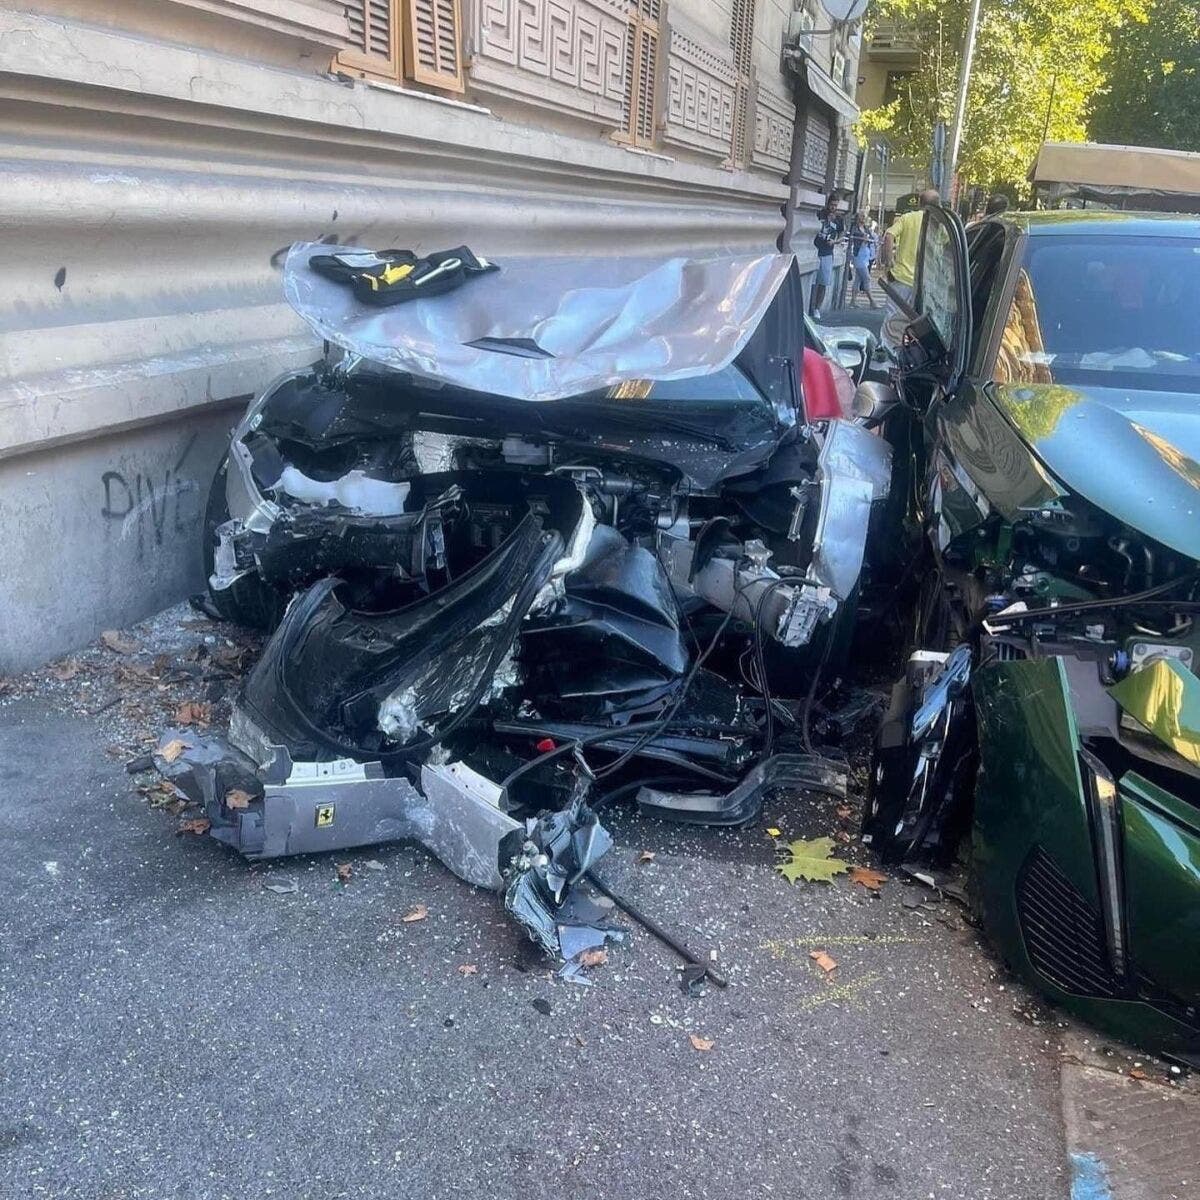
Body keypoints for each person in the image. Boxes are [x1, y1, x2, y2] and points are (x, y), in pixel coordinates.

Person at [880, 187, 941, 347]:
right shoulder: (938, 224)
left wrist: (889, 260)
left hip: (901, 277)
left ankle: (888, 350)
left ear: (920, 203)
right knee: (915, 320)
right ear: (937, 205)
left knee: (892, 316)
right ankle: (909, 350)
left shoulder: (907, 218)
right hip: (923, 283)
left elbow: (889, 235)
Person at [810, 194, 844, 319]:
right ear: (828, 204)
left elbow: (842, 236)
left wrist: (834, 242)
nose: (833, 207)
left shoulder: (839, 219)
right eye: (832, 205)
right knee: (813, 282)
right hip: (815, 250)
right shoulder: (821, 214)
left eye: (835, 205)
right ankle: (810, 305)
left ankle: (817, 308)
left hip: (827, 252)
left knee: (823, 282)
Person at [847, 212, 877, 309]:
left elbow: (871, 238)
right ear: (857, 218)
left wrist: (867, 237)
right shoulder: (855, 228)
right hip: (858, 254)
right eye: (861, 215)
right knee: (866, 278)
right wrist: (863, 238)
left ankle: (853, 301)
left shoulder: (866, 228)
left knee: (858, 279)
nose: (863, 217)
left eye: (864, 216)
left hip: (865, 254)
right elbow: (854, 238)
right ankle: (872, 301)